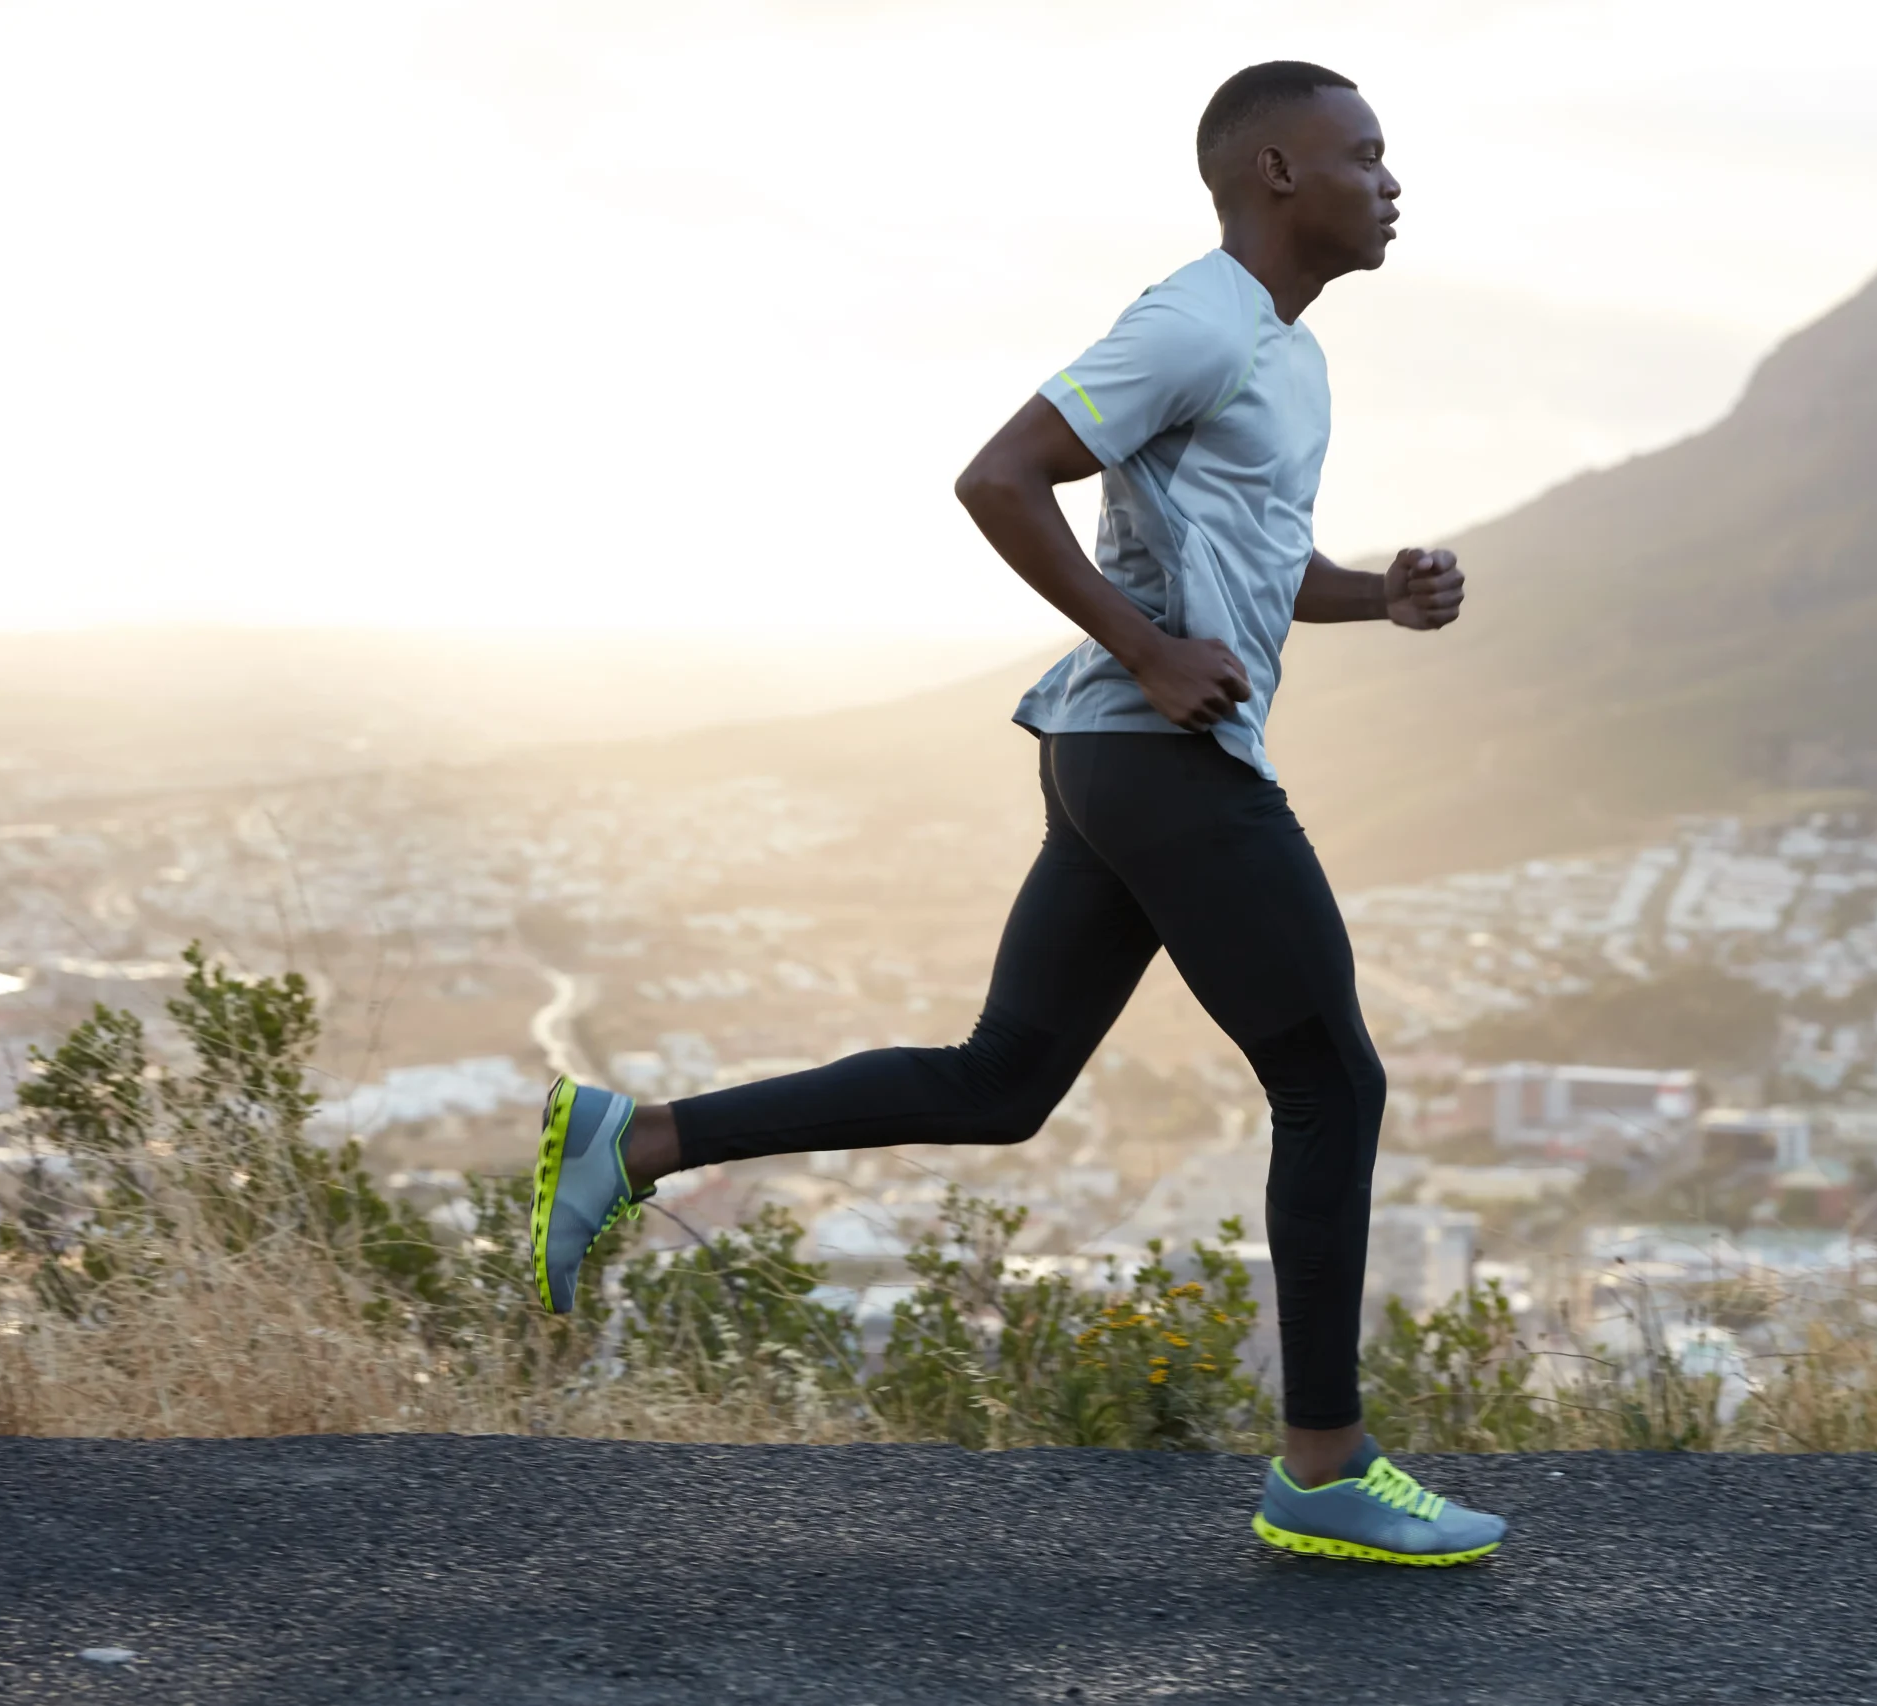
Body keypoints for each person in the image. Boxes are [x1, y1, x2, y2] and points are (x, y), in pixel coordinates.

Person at [529, 60, 1505, 1566]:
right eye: (1364, 155)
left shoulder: (1288, 357)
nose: (1393, 181)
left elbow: (1256, 558)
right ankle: (1323, 1465)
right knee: (1335, 1086)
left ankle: (634, 1137)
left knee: (1001, 1081)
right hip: (1157, 757)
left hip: (1123, 758)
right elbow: (1000, 476)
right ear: (1275, 175)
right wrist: (1148, 649)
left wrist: (1383, 594)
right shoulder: (1192, 317)